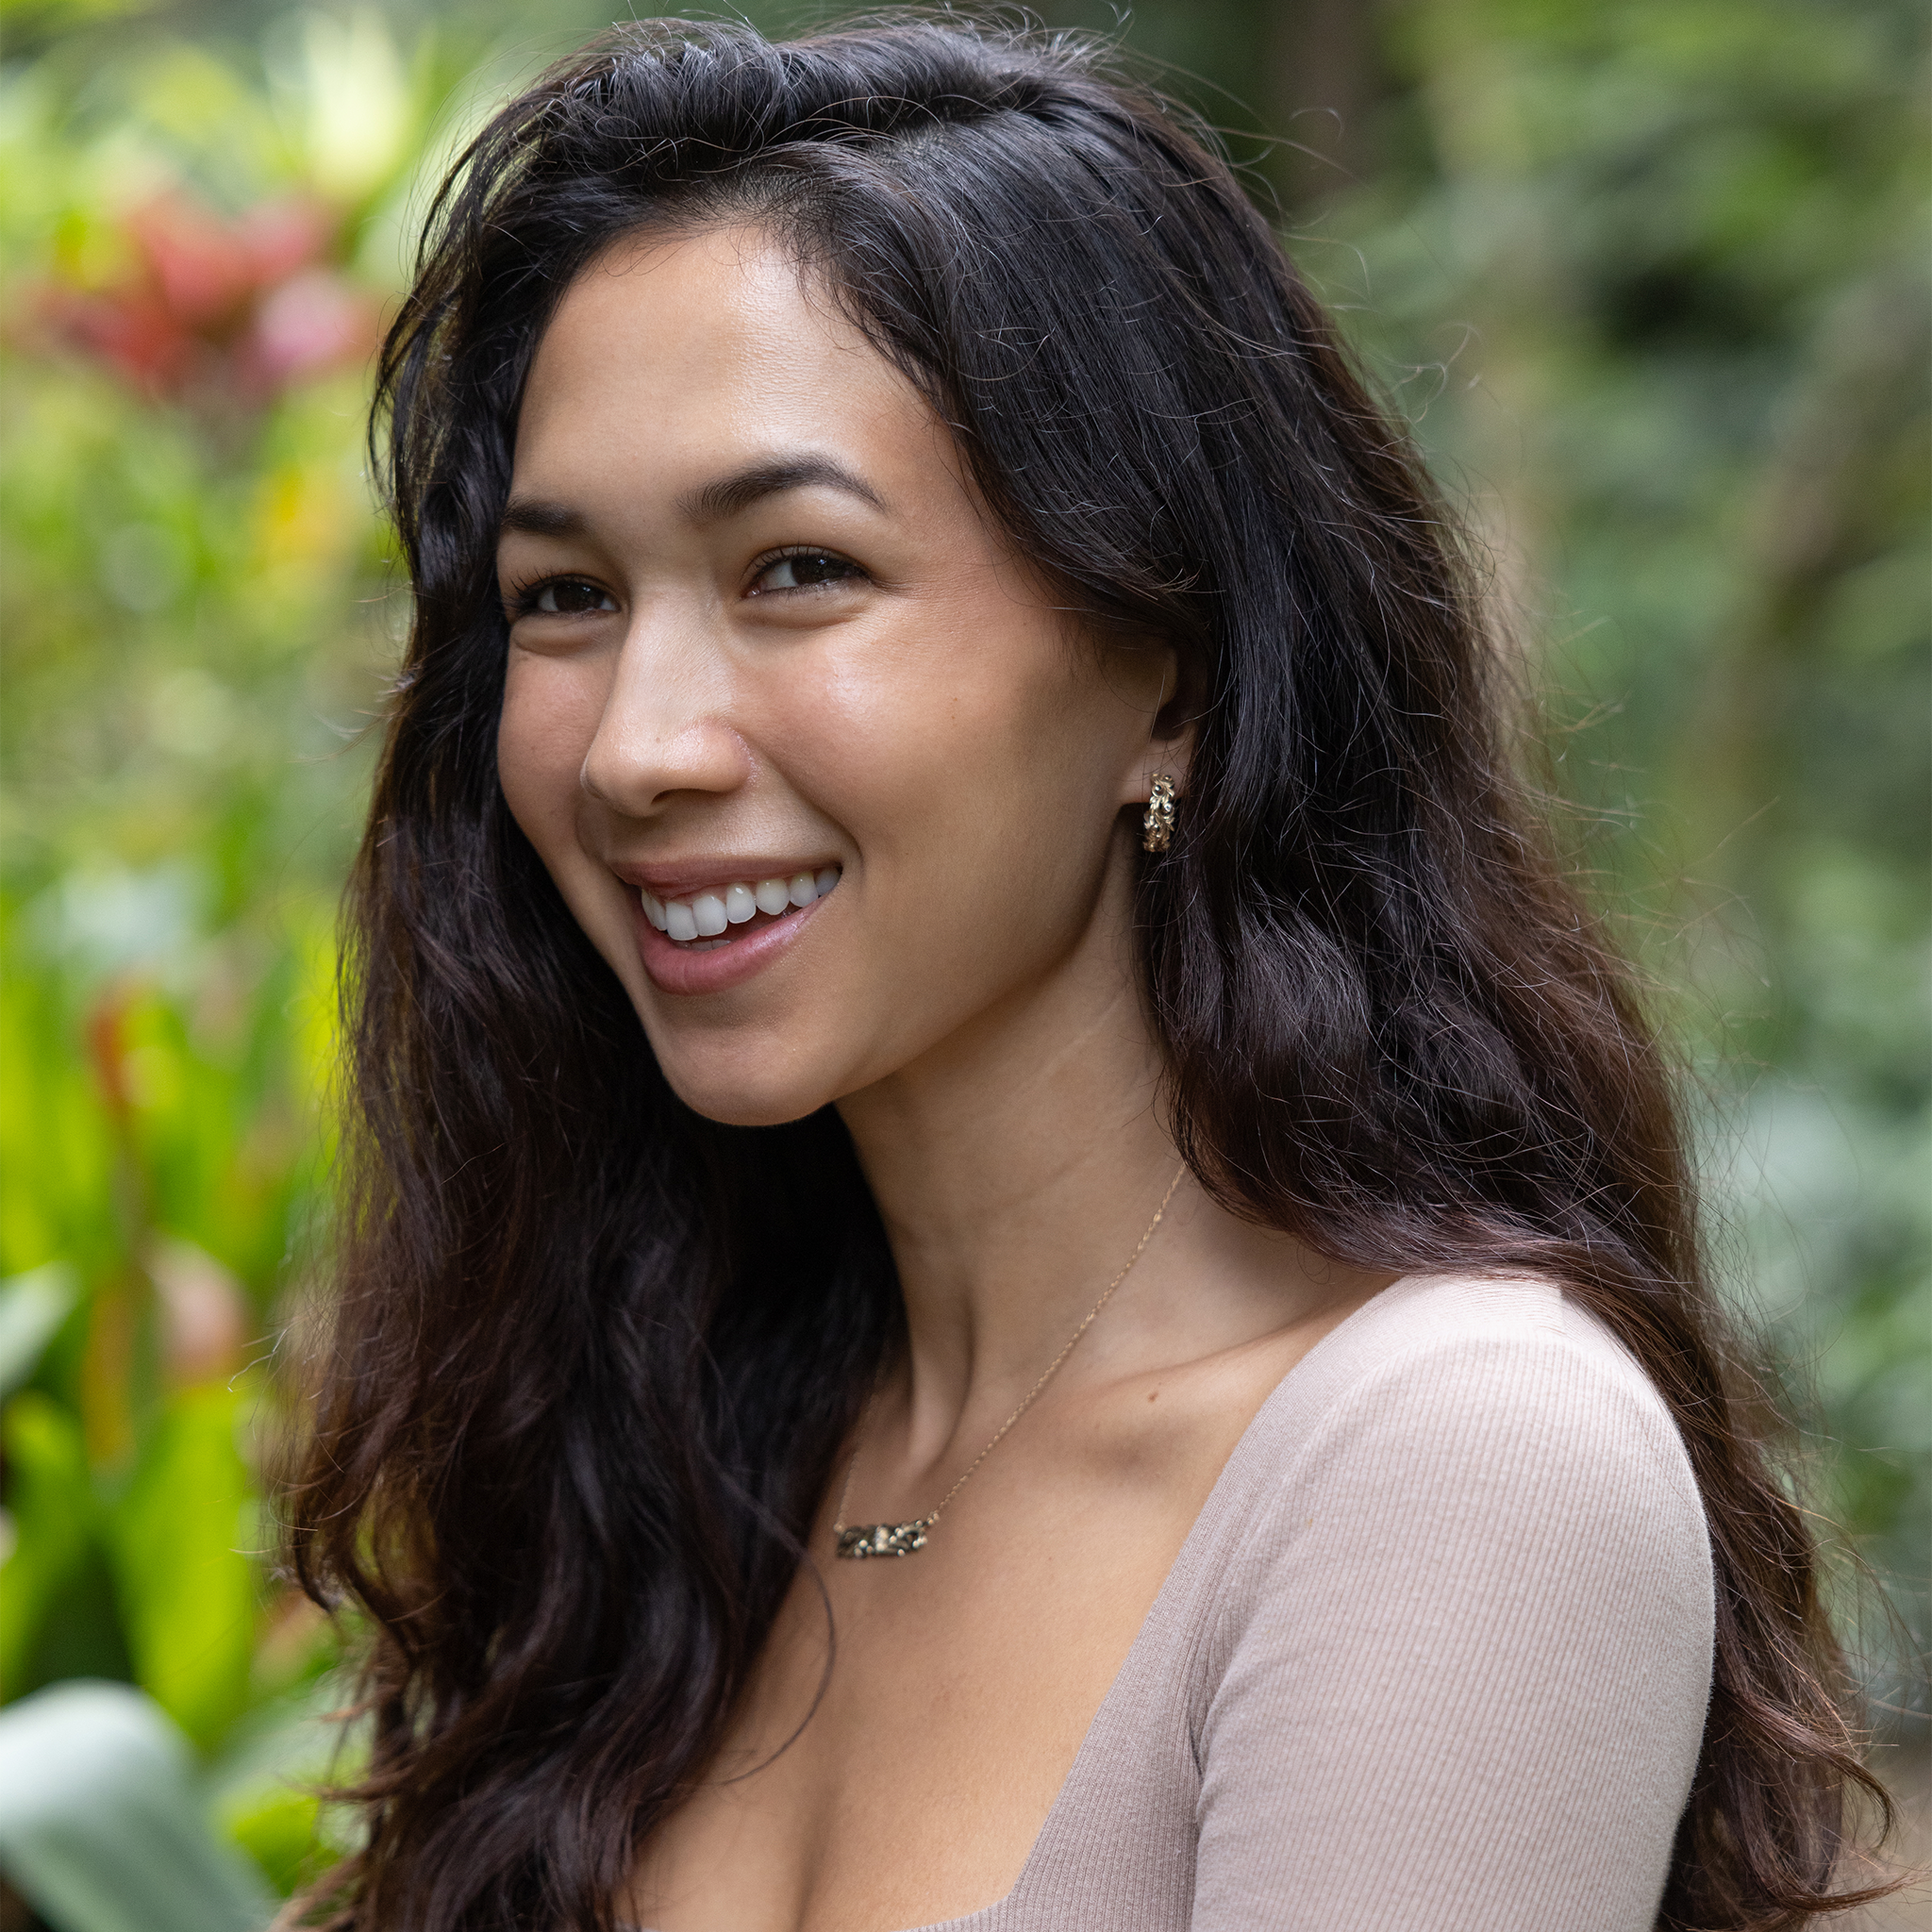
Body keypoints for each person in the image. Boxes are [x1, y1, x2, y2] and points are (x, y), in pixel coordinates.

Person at [280, 19, 1897, 1931]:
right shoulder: (673, 1451)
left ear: (1173, 669)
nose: (638, 744)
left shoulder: (1453, 1459)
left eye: (796, 568)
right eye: (564, 597)